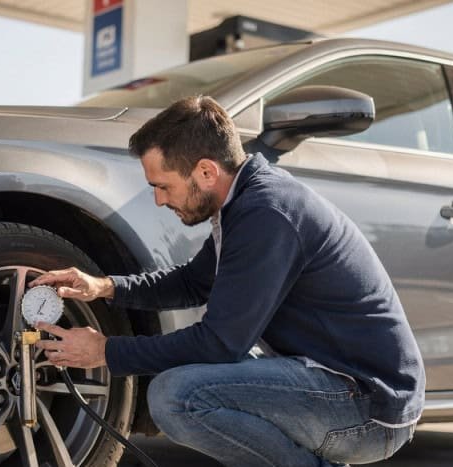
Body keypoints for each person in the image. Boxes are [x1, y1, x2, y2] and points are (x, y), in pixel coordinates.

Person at [29, 95, 425, 467]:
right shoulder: (244, 203)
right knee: (192, 378)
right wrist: (105, 286)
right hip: (336, 382)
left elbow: (220, 343)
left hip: (369, 408)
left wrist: (107, 352)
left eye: (163, 186)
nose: (159, 200)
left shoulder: (267, 214)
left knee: (176, 396)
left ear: (205, 171)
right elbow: (192, 283)